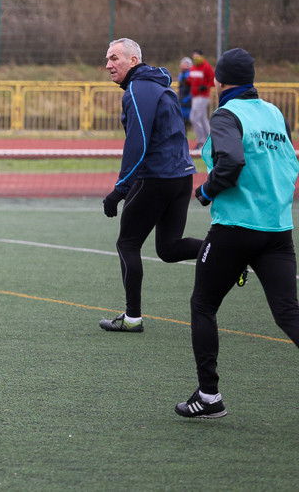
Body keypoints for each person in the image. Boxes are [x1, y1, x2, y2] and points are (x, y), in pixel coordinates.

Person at [176, 48, 299, 418]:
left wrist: (206, 191)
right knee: (288, 312)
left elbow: (230, 163)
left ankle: (209, 397)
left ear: (220, 81)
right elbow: (288, 161)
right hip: (278, 229)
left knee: (203, 306)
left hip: (235, 227)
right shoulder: (275, 113)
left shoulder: (227, 114)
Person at [100, 38, 203, 332]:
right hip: (182, 177)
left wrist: (120, 190)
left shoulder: (138, 88)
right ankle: (227, 252)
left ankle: (132, 318)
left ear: (133, 61)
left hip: (158, 178)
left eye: (115, 58)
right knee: (169, 249)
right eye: (107, 59)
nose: (108, 65)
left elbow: (138, 142)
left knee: (127, 243)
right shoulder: (159, 86)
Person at [188, 49, 216, 147]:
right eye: (194, 56)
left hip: (203, 96)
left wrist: (206, 86)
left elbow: (213, 80)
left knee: (194, 118)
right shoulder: (193, 67)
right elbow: (190, 80)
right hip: (195, 96)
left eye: (197, 56)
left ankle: (201, 140)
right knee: (203, 118)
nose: (195, 58)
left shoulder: (206, 67)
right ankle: (210, 139)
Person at [177, 56, 192, 127]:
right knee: (181, 119)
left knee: (191, 119)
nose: (181, 66)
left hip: (189, 100)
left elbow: (192, 88)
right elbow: (180, 88)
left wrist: (188, 98)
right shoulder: (181, 75)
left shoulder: (190, 74)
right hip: (182, 99)